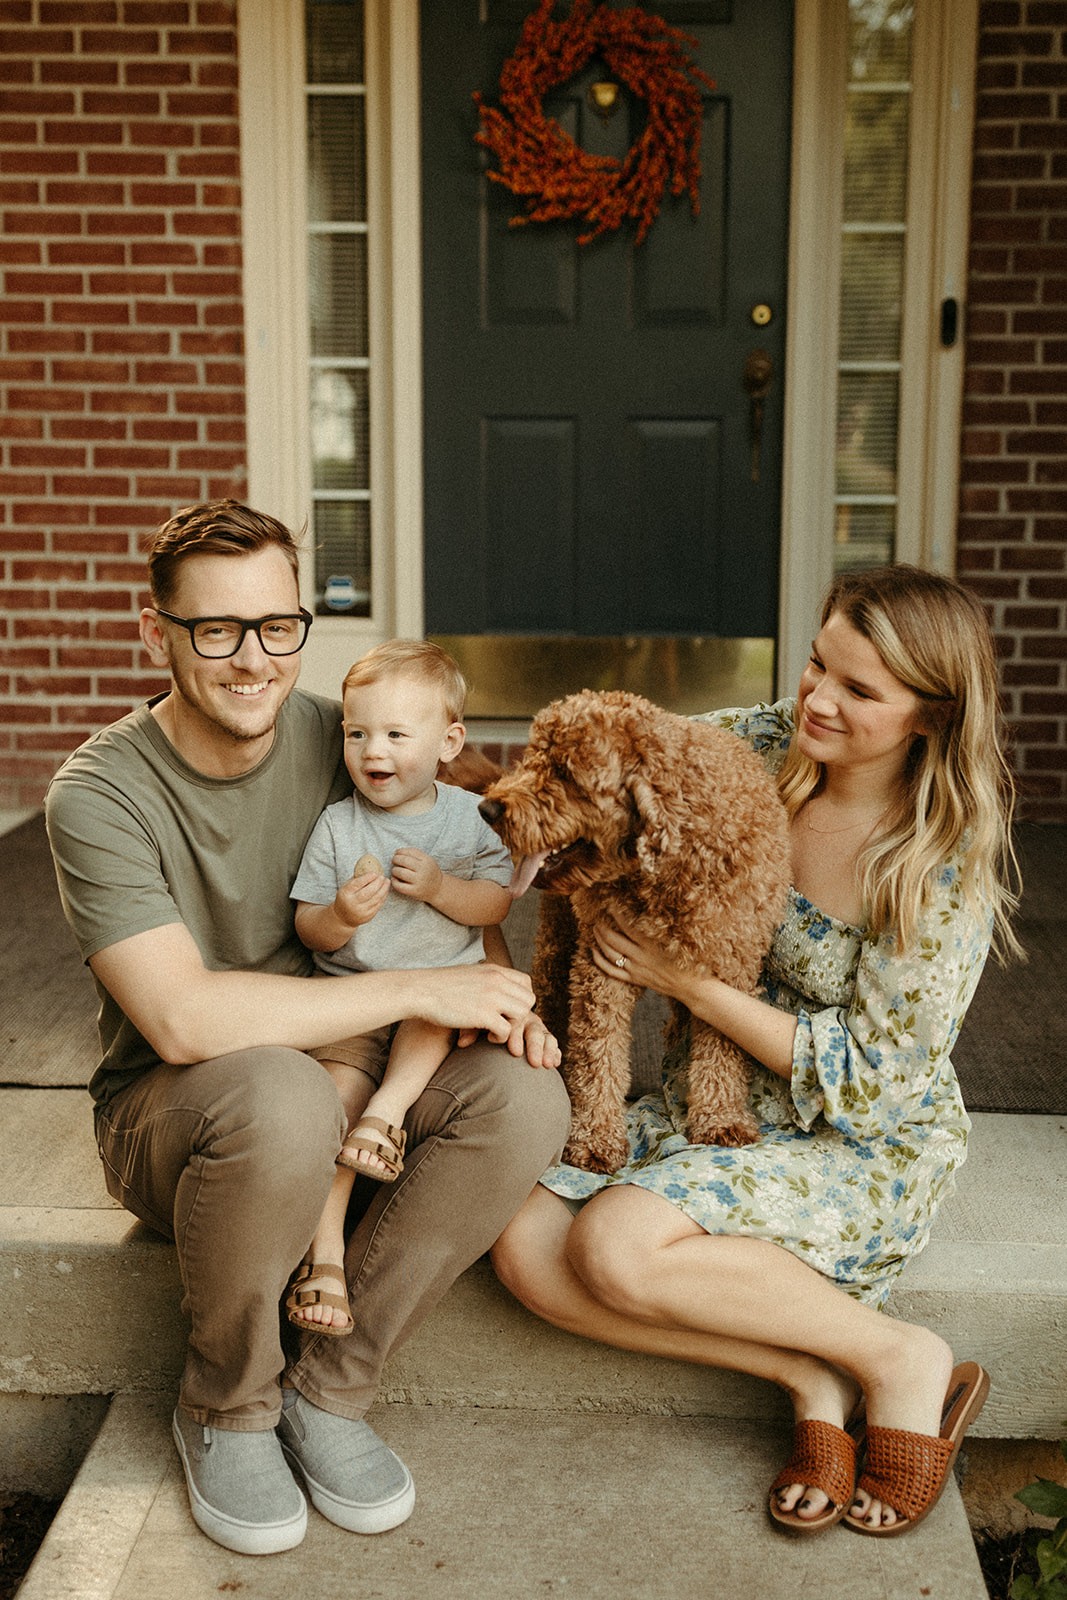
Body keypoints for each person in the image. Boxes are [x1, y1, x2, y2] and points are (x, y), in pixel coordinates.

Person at [44, 500, 569, 1557]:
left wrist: (493, 994)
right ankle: (225, 1400)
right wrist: (418, 997)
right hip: (182, 1110)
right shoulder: (99, 792)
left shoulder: (352, 736)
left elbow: (464, 878)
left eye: (276, 625)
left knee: (523, 1100)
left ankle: (328, 1388)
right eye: (216, 630)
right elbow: (184, 1016)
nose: (252, 660)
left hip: (357, 1074)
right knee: (282, 1093)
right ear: (158, 633)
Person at [491, 565, 1020, 1538]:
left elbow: (869, 1083)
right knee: (520, 1240)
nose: (816, 698)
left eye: (858, 691)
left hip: (856, 1136)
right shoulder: (759, 744)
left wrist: (686, 982)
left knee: (612, 1241)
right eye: (817, 663)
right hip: (717, 1094)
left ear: (928, 717)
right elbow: (612, 759)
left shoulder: (935, 861)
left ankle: (900, 1357)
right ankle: (807, 1370)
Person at [285, 639, 514, 1338]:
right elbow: (309, 930)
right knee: (333, 1102)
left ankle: (386, 1114)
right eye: (356, 733)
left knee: (435, 1003)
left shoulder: (470, 817)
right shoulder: (338, 823)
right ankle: (324, 1255)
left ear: (449, 742)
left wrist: (445, 889)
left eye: (393, 734)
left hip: (437, 1001)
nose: (370, 750)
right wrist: (341, 915)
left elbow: (495, 906)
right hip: (353, 1000)